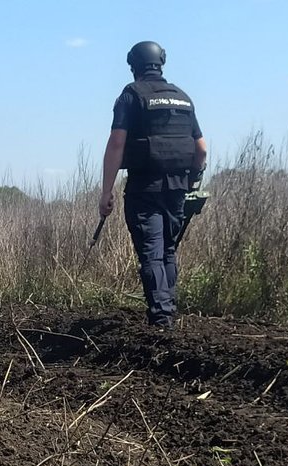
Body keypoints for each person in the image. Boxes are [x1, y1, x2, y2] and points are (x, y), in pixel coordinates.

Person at [99, 41, 207, 329]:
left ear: (134, 66)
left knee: (151, 252)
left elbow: (117, 143)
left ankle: (161, 320)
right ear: (161, 62)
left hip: (144, 187)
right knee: (168, 250)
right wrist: (193, 178)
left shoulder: (131, 95)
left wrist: (106, 191)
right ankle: (168, 312)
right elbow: (202, 150)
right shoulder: (183, 98)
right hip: (178, 188)